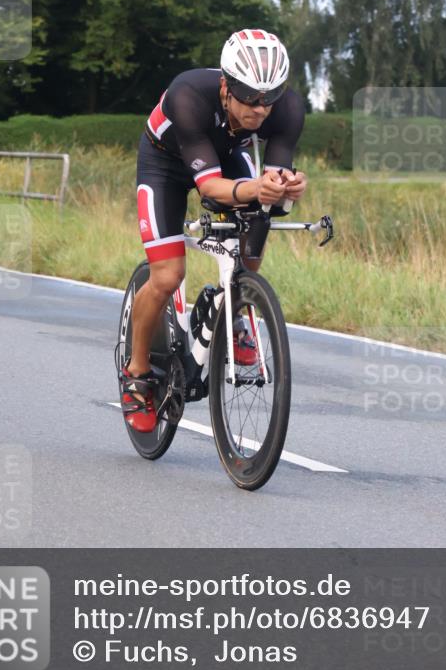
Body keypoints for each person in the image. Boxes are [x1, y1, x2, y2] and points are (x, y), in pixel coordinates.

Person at [121, 29, 307, 432]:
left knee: (255, 237)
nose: (260, 110)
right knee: (168, 274)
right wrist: (257, 188)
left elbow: (271, 184)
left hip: (228, 156)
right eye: (250, 99)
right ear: (226, 86)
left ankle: (236, 310)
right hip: (165, 165)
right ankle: (136, 374)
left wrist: (286, 188)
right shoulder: (187, 94)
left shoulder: (287, 108)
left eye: (269, 99)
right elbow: (208, 188)